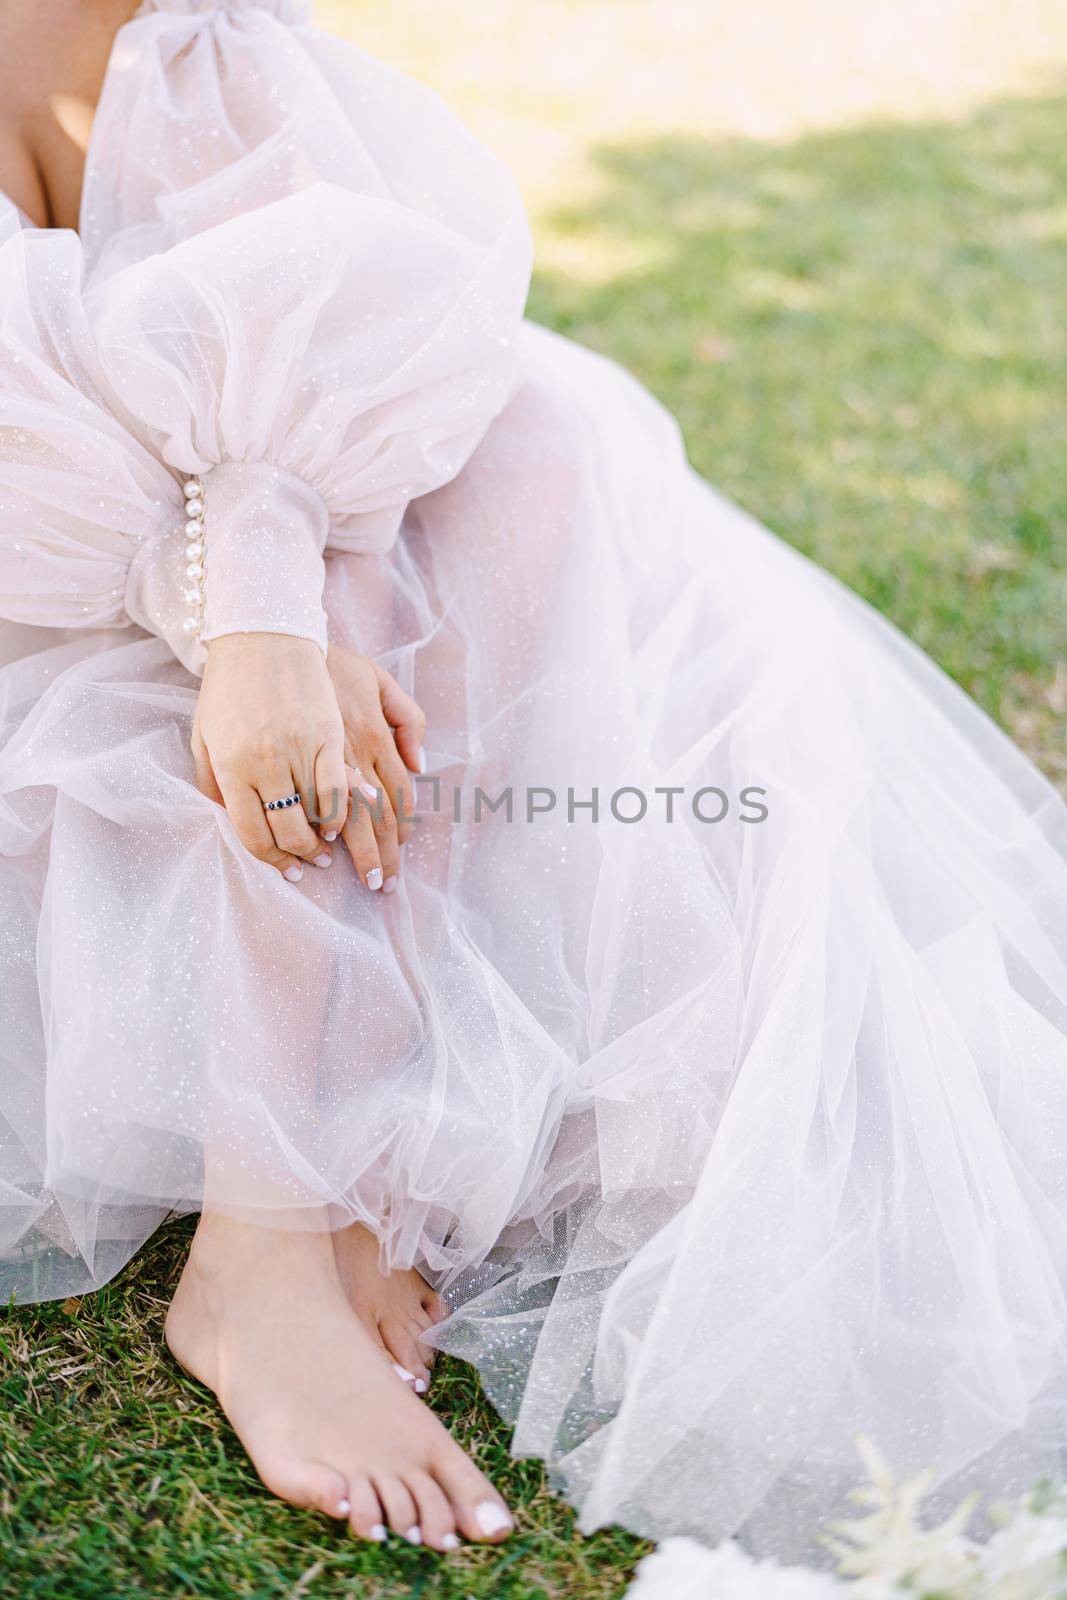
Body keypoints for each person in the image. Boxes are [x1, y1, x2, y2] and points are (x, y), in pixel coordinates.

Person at [1, 0, 1065, 1566]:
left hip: (257, 522)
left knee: (513, 455)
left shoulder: (195, 39)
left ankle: (290, 1207)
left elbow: (318, 319)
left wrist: (270, 580)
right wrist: (219, 597)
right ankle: (276, 1239)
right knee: (285, 624)